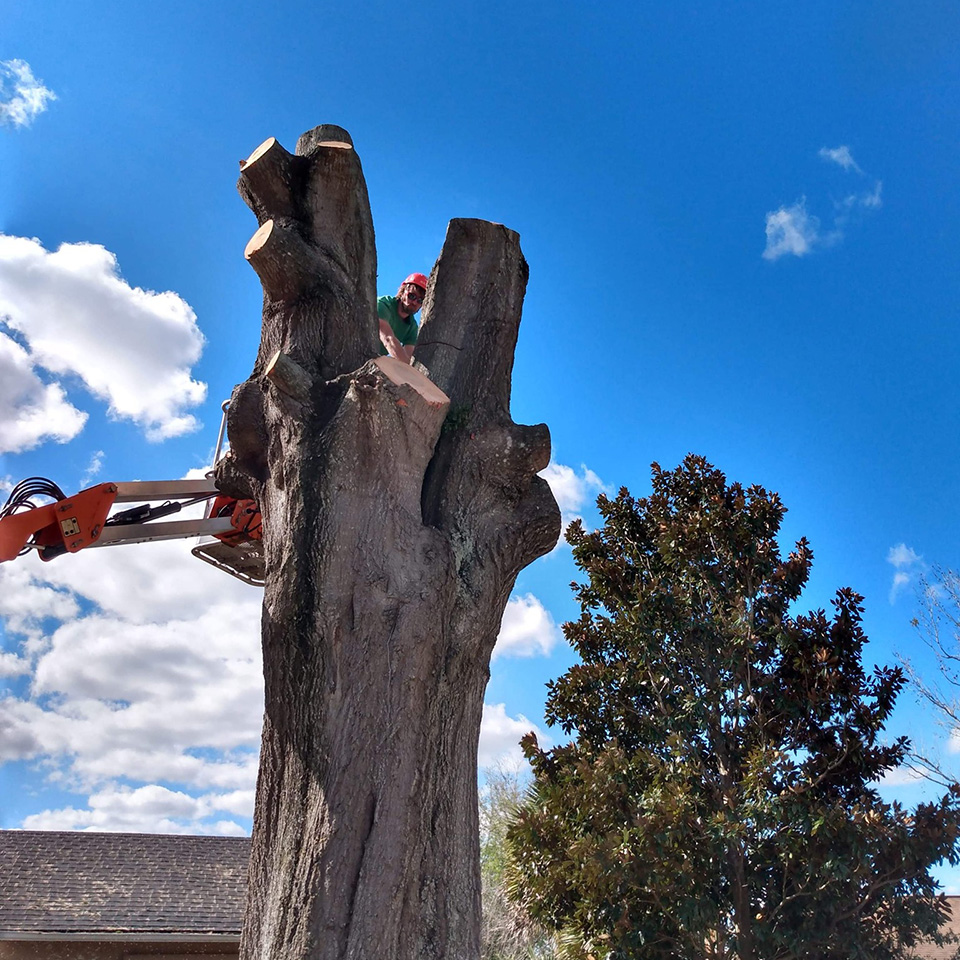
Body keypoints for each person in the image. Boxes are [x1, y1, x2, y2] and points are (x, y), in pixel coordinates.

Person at [378, 273, 427, 364]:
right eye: (412, 296)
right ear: (403, 291)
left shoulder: (412, 327)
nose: (414, 302)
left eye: (420, 300)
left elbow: (407, 358)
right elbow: (388, 339)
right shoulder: (384, 305)